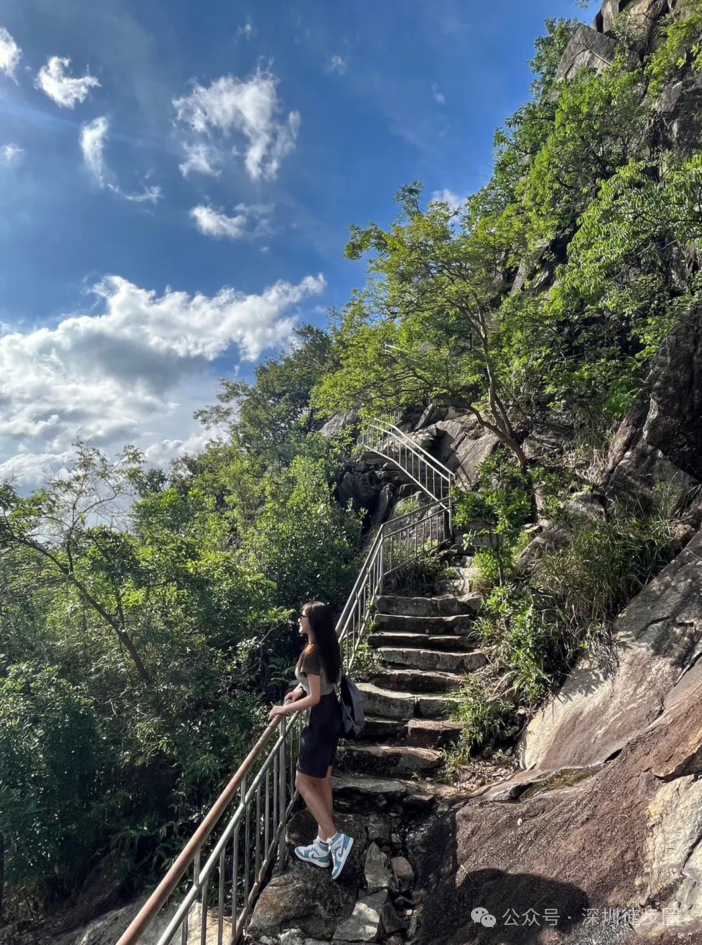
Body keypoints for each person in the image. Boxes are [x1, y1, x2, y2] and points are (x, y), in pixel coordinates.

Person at [268, 600, 353, 879]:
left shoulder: (312, 653)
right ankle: (321, 847)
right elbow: (319, 686)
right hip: (332, 716)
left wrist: (284, 709)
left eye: (302, 615)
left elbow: (315, 697)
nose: (299, 619)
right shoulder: (329, 645)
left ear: (312, 622)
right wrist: (299, 690)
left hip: (319, 721)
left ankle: (336, 840)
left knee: (303, 783)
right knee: (322, 782)